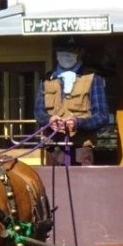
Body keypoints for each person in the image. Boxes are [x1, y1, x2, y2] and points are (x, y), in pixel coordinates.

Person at [34, 35, 110, 165]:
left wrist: (78, 123)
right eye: (61, 51)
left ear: (81, 53)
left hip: (81, 148)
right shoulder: (46, 78)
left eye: (71, 51)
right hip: (53, 146)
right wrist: (49, 120)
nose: (66, 55)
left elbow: (102, 116)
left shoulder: (93, 78)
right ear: (56, 53)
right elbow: (38, 112)